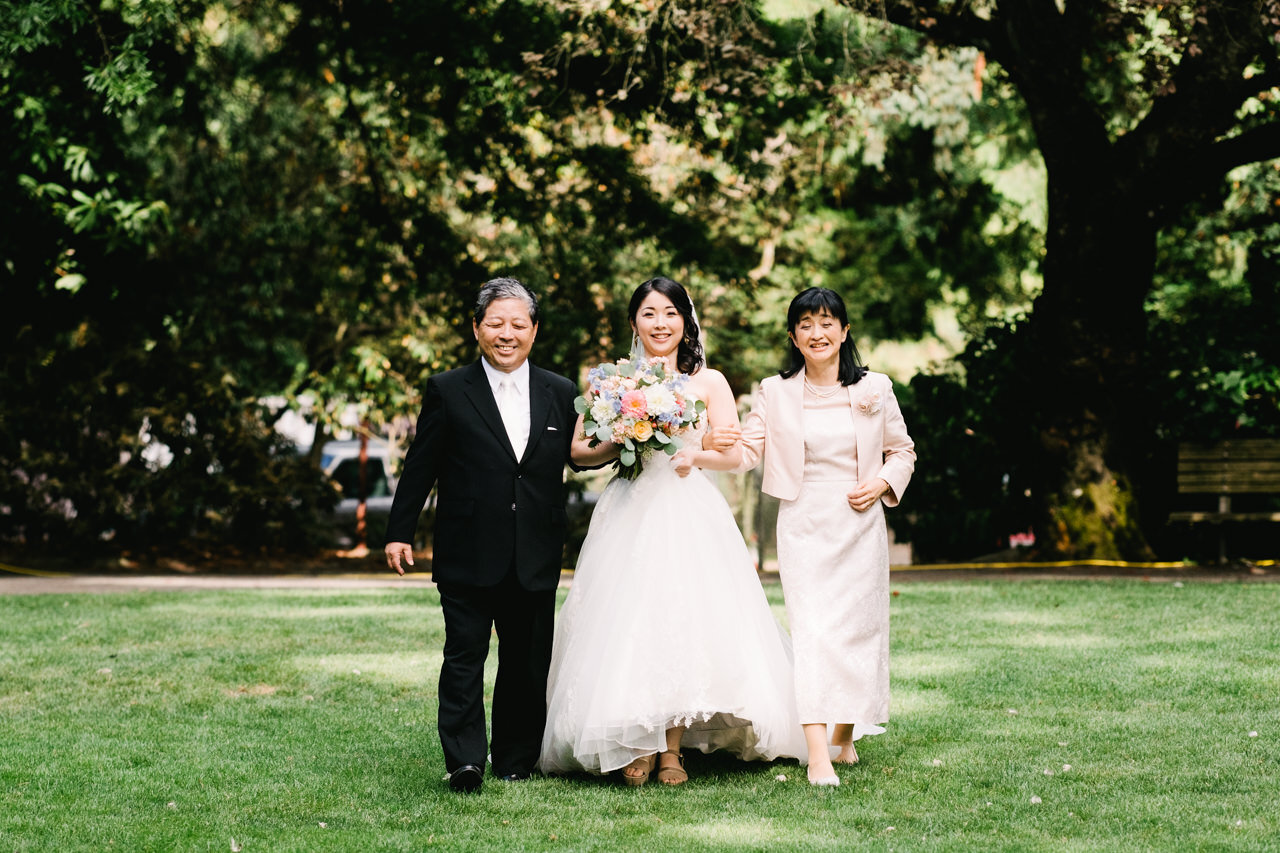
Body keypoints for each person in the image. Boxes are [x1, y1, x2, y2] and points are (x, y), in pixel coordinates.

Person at [538, 276, 806, 786]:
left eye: (669, 313)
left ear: (685, 321)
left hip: (686, 508)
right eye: (648, 314)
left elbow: (733, 455)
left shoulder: (710, 382)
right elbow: (576, 452)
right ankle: (635, 741)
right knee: (627, 619)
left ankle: (672, 751)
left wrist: (696, 454)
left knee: (682, 619)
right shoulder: (611, 381)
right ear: (634, 323)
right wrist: (622, 436)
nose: (660, 324)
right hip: (628, 508)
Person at [706, 286, 916, 786]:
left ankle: (843, 735)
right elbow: (747, 452)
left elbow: (902, 450)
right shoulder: (774, 391)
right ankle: (818, 754)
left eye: (827, 323)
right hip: (803, 523)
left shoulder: (875, 389)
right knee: (815, 634)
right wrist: (711, 446)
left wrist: (884, 481)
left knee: (859, 634)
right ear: (793, 336)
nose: (816, 333)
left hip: (860, 521)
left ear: (844, 332)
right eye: (805, 324)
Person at [384, 277, 578, 794]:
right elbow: (420, 465)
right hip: (467, 549)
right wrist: (399, 531)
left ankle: (515, 757)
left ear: (534, 330)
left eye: (518, 324)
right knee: (464, 657)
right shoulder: (448, 389)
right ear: (476, 328)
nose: (507, 334)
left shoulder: (561, 392)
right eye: (496, 323)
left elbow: (578, 457)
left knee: (526, 661)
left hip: (535, 548)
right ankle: (465, 760)